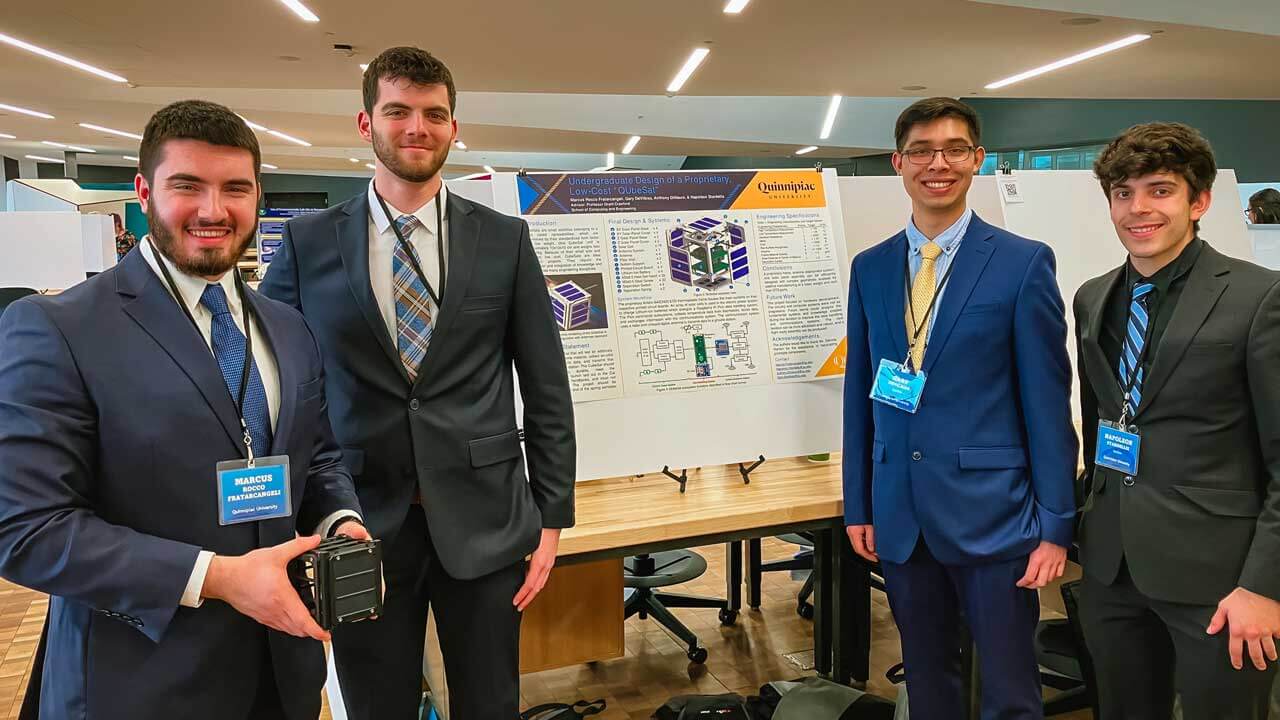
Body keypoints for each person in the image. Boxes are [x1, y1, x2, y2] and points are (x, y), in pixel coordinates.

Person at [0, 99, 368, 720]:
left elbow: (318, 453)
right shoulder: (58, 327)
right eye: (187, 186)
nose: (212, 210)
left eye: (235, 189)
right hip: (140, 682)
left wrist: (340, 522)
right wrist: (220, 577)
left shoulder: (287, 327)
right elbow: (25, 528)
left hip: (282, 672)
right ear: (144, 191)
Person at [259, 46, 575, 719]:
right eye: (397, 110)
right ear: (365, 122)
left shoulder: (504, 239)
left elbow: (547, 388)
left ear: (454, 128)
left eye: (435, 114)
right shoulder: (308, 243)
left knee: (491, 702)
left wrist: (552, 520)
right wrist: (282, 516)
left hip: (488, 522)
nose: (417, 127)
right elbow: (273, 387)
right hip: (357, 524)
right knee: (377, 705)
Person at [843, 97, 1076, 718]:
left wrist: (1055, 524)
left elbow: (1047, 403)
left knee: (1008, 689)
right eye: (921, 150)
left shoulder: (1023, 262)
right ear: (899, 163)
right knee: (927, 682)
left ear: (977, 160)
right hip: (900, 516)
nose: (936, 163)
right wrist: (860, 502)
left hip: (994, 516)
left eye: (952, 149)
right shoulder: (870, 268)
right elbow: (861, 396)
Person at [1074, 122, 1280, 719]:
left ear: (1200, 201)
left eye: (1159, 190)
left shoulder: (1259, 297)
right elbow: (1101, 422)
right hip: (1112, 569)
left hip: (1221, 580)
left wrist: (1265, 587)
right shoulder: (1092, 298)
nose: (1138, 208)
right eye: (1122, 192)